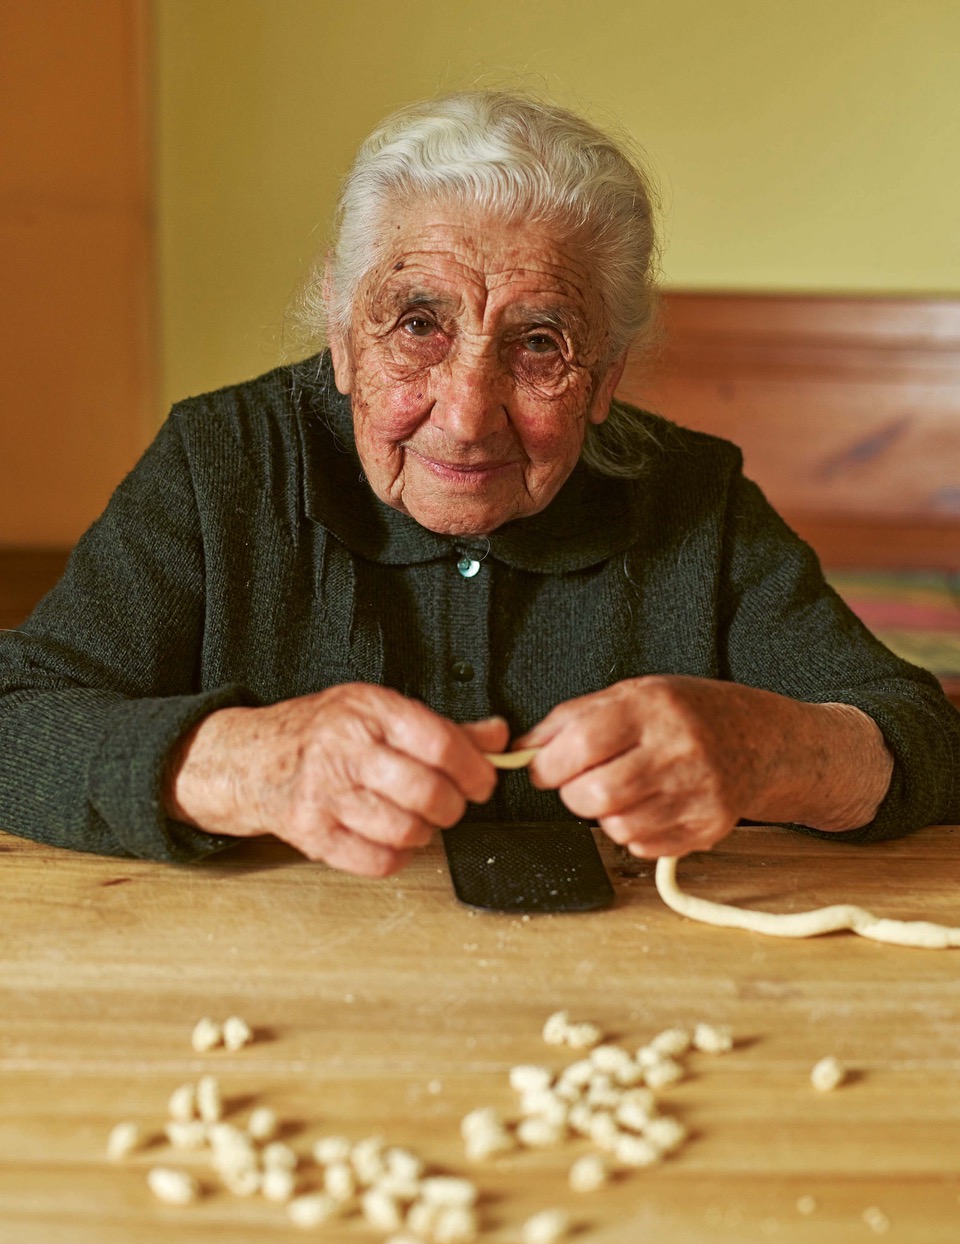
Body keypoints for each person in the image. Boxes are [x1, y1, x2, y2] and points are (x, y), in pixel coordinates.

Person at [1, 91, 957, 877]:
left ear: (608, 377)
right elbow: (16, 715)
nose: (465, 414)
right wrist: (242, 765)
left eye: (540, 344)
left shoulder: (690, 495)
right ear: (340, 333)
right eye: (418, 325)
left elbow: (919, 735)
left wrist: (775, 754)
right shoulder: (223, 463)